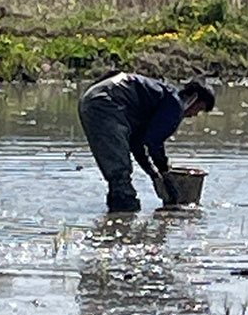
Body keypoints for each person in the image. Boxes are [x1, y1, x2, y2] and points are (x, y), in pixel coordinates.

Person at [78, 74, 215, 212]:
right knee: (120, 173)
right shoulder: (174, 105)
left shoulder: (163, 98)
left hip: (94, 99)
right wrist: (164, 173)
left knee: (118, 170)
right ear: (193, 99)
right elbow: (154, 143)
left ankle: (118, 212)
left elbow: (137, 144)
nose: (194, 115)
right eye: (199, 109)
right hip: (106, 103)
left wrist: (153, 174)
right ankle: (124, 210)